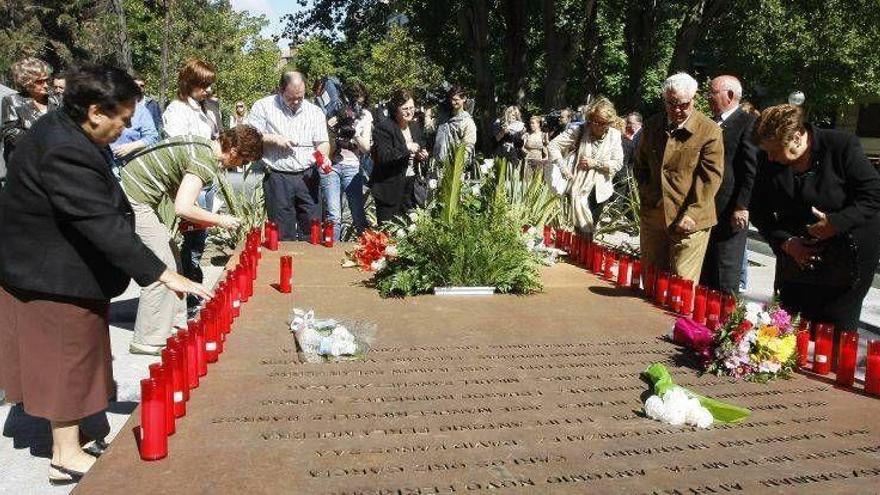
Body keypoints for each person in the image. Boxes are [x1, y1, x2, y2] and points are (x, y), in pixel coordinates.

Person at [0, 64, 210, 485]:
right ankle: (65, 455)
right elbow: (99, 221)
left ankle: (83, 430)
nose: (127, 128)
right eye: (124, 120)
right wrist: (163, 274)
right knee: (66, 356)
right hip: (48, 271)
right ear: (96, 111)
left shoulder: (72, 130)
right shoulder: (63, 146)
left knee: (85, 351)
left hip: (64, 263)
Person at [121, 126, 261, 354]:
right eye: (244, 161)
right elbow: (182, 208)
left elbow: (181, 189)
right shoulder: (206, 161)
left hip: (138, 192)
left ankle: (176, 326)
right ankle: (148, 340)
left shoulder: (203, 146)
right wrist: (219, 220)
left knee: (174, 258)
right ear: (234, 151)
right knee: (161, 266)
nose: (241, 167)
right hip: (132, 198)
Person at [750, 104, 880, 334]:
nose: (770, 158)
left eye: (776, 151)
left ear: (798, 137)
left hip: (845, 261)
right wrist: (786, 242)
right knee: (785, 331)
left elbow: (873, 195)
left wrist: (835, 223)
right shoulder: (768, 159)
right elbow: (759, 211)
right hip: (795, 261)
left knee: (832, 339)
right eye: (766, 152)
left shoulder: (841, 146)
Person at [634, 72, 724, 282]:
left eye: (683, 104)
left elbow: (710, 178)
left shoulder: (709, 130)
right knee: (651, 280)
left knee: (680, 286)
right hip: (655, 215)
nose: (677, 110)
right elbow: (640, 165)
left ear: (694, 99)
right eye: (671, 103)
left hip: (690, 220)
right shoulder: (653, 125)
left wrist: (692, 213)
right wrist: (649, 195)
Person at [163, 59, 219, 316]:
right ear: (189, 83)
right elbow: (179, 149)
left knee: (199, 240)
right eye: (203, 85)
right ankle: (188, 295)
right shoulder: (177, 110)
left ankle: (193, 292)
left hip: (206, 181)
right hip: (189, 181)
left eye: (209, 85)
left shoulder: (205, 108)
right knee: (192, 242)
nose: (207, 90)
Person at [247, 71, 330, 240]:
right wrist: (273, 139)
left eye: (301, 97)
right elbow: (250, 136)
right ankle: (286, 265)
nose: (297, 102)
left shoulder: (315, 112)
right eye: (291, 98)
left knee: (313, 230)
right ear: (280, 90)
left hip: (308, 177)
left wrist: (324, 156)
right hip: (278, 178)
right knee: (282, 234)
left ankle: (310, 265)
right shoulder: (263, 107)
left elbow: (323, 142)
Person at [700, 75, 758, 294]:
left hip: (730, 210)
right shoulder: (711, 123)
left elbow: (750, 168)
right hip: (707, 207)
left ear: (730, 95)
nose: (708, 98)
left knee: (725, 270)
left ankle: (724, 322)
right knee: (706, 269)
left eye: (712, 93)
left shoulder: (747, 123)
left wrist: (742, 206)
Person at [548, 97, 624, 234]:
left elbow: (618, 163)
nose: (597, 126)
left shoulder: (615, 135)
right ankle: (578, 252)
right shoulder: (580, 130)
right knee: (579, 229)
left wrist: (596, 164)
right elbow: (553, 145)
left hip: (600, 191)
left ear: (609, 123)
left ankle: (585, 252)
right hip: (578, 187)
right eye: (594, 121)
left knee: (590, 228)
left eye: (602, 123)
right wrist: (563, 168)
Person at [370, 88, 428, 225]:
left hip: (410, 189)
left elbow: (420, 146)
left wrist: (422, 155)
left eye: (412, 107)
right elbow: (384, 156)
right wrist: (406, 148)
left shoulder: (414, 126)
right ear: (396, 109)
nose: (410, 112)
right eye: (405, 108)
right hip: (389, 189)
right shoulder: (383, 128)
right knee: (388, 236)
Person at [321, 83, 371, 241]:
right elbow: (324, 136)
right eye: (354, 101)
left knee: (358, 214)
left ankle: (366, 251)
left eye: (360, 102)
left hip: (352, 167)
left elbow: (366, 148)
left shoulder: (366, 116)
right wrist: (333, 124)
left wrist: (353, 132)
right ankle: (330, 253)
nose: (357, 105)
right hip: (333, 165)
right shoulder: (336, 111)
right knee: (333, 216)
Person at [1, 57, 59, 162]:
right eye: (40, 82)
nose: (46, 85)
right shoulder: (12, 101)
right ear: (27, 82)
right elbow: (10, 132)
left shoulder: (55, 100)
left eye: (47, 80)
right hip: (24, 162)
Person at [109, 88, 161, 171]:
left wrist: (131, 147)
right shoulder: (104, 108)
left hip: (131, 165)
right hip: (107, 164)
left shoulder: (141, 111)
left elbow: (152, 138)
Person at [432, 85, 477, 164]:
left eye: (456, 100)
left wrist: (458, 164)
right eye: (451, 99)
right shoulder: (443, 118)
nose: (453, 102)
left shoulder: (467, 122)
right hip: (438, 165)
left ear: (464, 99)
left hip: (454, 166)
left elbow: (467, 147)